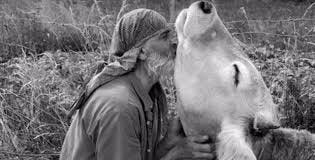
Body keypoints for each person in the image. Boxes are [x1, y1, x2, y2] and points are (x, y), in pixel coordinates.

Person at [59, 9, 216, 160]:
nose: (174, 43)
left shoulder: (146, 92)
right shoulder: (120, 107)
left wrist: (168, 143)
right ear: (141, 52)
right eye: (164, 37)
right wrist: (176, 155)